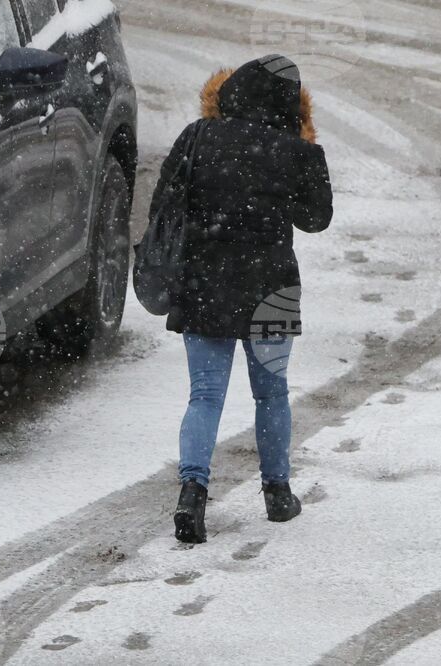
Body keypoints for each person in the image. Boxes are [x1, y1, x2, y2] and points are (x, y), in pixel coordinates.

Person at [148, 55, 333, 544]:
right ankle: (277, 493)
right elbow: (316, 219)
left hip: (204, 282)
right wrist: (304, 146)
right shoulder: (294, 150)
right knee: (271, 393)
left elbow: (163, 202)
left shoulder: (198, 136)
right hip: (271, 289)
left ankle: (192, 494)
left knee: (205, 395)